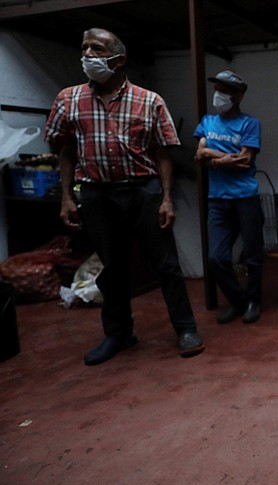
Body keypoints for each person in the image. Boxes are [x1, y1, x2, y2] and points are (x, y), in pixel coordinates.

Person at [45, 27, 204, 365]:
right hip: (96, 194)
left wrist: (166, 198)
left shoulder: (149, 100)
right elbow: (65, 151)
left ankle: (186, 329)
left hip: (143, 190)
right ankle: (118, 334)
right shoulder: (69, 98)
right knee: (112, 268)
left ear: (118, 59)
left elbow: (163, 154)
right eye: (85, 47)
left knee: (166, 264)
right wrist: (66, 197)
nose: (88, 54)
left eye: (97, 48)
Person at [193, 70, 263, 325]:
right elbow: (199, 154)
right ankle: (239, 302)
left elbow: (246, 161)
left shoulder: (249, 123)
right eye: (217, 88)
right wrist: (226, 158)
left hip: (245, 196)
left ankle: (254, 301)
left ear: (238, 95)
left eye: (225, 90)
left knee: (253, 254)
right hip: (217, 198)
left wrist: (214, 158)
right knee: (216, 257)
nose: (218, 94)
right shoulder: (207, 122)